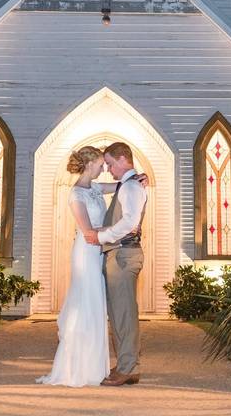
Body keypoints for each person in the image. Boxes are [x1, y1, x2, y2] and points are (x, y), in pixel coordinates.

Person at [87, 141, 147, 387]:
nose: (110, 170)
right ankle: (125, 363)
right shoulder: (129, 185)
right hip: (119, 255)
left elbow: (130, 222)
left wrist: (100, 236)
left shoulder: (131, 187)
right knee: (119, 314)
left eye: (111, 164)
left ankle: (129, 367)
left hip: (123, 255)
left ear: (123, 159)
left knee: (124, 316)